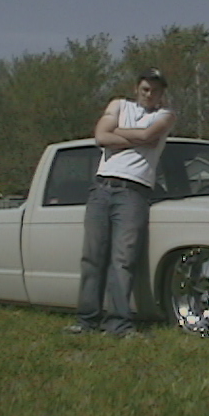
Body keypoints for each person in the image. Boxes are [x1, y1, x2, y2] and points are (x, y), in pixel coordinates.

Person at [65, 67, 176, 337]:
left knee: (122, 260)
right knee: (92, 258)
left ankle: (118, 324)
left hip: (134, 192)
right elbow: (101, 136)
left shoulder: (166, 115)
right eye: (145, 89)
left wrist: (118, 134)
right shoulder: (118, 104)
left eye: (155, 91)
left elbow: (149, 137)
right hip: (101, 189)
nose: (149, 94)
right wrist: (137, 137)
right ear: (137, 88)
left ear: (162, 93)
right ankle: (87, 321)